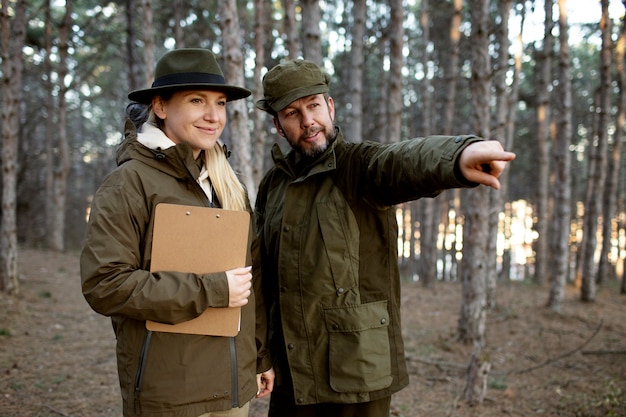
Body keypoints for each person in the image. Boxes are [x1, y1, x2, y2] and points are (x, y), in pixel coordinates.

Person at [252, 59, 516, 417]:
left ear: (330, 107)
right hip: (292, 372)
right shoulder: (273, 185)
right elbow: (263, 277)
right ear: (278, 126)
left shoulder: (357, 167)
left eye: (314, 105)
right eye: (292, 112)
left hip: (356, 369)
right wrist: (261, 353)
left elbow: (402, 161)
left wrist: (458, 156)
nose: (307, 120)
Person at [80, 48, 274, 417]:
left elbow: (253, 280)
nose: (213, 116)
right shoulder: (128, 184)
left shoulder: (227, 184)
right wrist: (212, 290)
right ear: (161, 107)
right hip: (171, 397)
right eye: (197, 100)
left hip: (234, 391)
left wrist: (260, 356)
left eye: (220, 103)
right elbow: (104, 284)